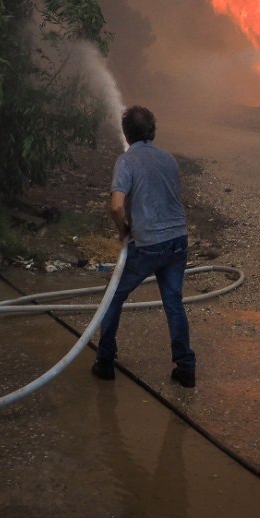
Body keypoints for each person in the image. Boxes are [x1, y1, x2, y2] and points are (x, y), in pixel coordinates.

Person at [91, 105, 196, 388]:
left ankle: (105, 361)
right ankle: (186, 368)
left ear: (127, 133)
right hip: (177, 242)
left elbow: (116, 207)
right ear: (153, 130)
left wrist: (124, 230)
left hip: (148, 244)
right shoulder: (169, 159)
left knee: (113, 298)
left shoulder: (126, 161)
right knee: (173, 302)